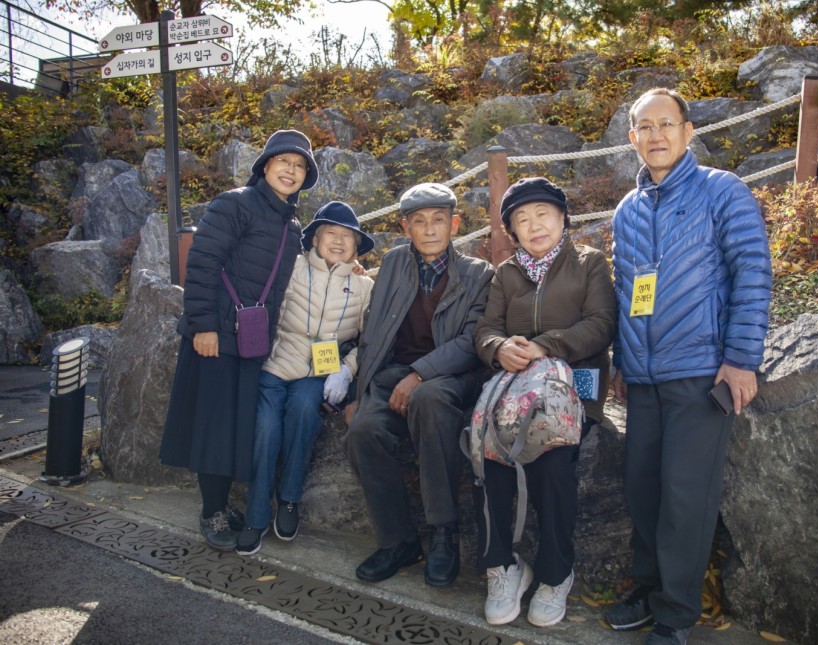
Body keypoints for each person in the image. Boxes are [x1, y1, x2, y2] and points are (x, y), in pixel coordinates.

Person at [605, 88, 773, 644]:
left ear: (688, 130)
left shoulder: (721, 190)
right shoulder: (627, 211)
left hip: (702, 372)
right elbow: (628, 291)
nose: (656, 135)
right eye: (645, 127)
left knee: (684, 494)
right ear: (632, 137)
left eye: (666, 124)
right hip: (644, 378)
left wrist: (741, 359)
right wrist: (624, 362)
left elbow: (752, 271)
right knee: (642, 488)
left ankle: (676, 614)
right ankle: (648, 588)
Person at [160, 130, 319, 551]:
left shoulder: (291, 225)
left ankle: (220, 502)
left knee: (234, 428)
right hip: (215, 336)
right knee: (214, 427)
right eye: (284, 161)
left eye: (300, 166)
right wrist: (203, 325)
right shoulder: (235, 203)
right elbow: (202, 262)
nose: (291, 170)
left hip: (250, 341)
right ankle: (211, 510)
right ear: (264, 166)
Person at [472, 177, 617, 627]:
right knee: (488, 458)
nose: (534, 226)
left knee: (553, 466)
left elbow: (601, 324)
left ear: (562, 218)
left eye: (543, 215)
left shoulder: (589, 263)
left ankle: (555, 573)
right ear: (512, 231)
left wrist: (544, 346)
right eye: (522, 219)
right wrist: (499, 348)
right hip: (513, 396)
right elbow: (485, 329)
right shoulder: (506, 274)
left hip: (570, 391)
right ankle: (503, 565)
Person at [343, 182, 494, 587]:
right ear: (405, 227)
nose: (429, 230)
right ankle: (399, 541)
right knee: (363, 432)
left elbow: (472, 341)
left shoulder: (478, 273)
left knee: (428, 399)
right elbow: (374, 331)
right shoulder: (394, 262)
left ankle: (444, 533)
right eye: (420, 222)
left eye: (438, 221)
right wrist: (360, 394)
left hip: (452, 375)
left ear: (455, 225)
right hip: (395, 373)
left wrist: (421, 373)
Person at [235, 202, 376, 556]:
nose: (339, 242)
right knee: (266, 426)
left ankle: (289, 498)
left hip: (318, 373)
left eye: (348, 237)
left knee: (302, 412)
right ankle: (256, 514)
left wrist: (347, 370)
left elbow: (371, 340)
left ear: (357, 246)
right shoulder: (292, 266)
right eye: (331, 233)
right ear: (315, 239)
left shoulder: (364, 286)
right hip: (275, 364)